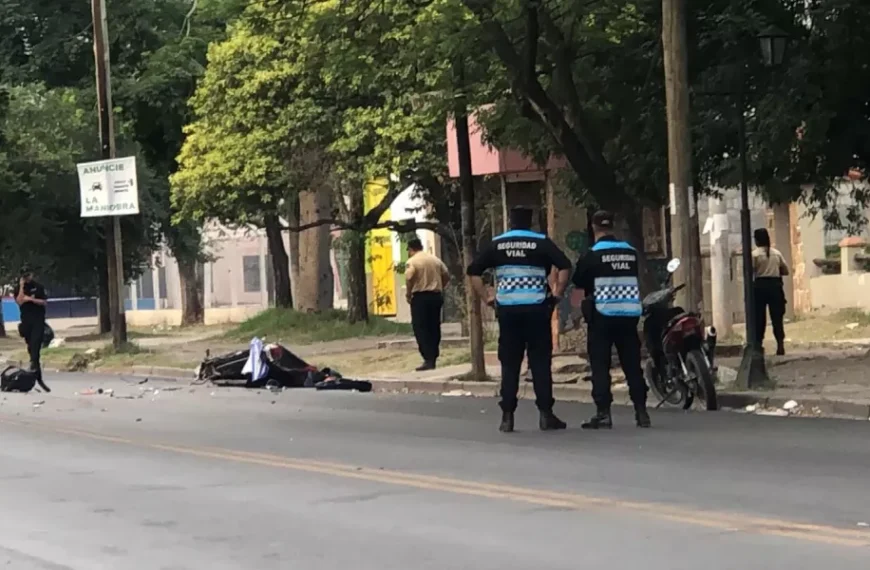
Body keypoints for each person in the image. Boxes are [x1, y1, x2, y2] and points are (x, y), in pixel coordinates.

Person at [467, 206, 572, 433]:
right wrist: (557, 293)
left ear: (510, 222)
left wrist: (487, 297)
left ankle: (507, 417)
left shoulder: (498, 243)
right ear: (530, 221)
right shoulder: (541, 242)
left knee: (510, 364)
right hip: (536, 311)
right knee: (540, 363)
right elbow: (564, 266)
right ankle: (546, 415)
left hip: (508, 313)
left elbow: (474, 271)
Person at [572, 210, 649, 429]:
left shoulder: (591, 255)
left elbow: (579, 285)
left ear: (594, 228)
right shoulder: (631, 253)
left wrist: (577, 315)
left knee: (600, 365)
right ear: (613, 226)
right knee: (632, 365)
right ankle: (641, 412)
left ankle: (603, 413)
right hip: (628, 316)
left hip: (602, 318)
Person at [405, 238, 450, 371]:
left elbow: (409, 277)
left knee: (420, 327)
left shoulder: (412, 261)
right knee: (434, 326)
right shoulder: (435, 259)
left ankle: (427, 358)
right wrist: (441, 286)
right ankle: (433, 357)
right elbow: (446, 274)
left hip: (420, 297)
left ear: (411, 249)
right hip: (436, 296)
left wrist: (408, 293)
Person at [13, 266, 51, 393]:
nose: (27, 278)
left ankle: (35, 370)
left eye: (28, 275)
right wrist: (22, 287)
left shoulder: (38, 286)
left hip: (38, 320)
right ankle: (37, 376)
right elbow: (19, 301)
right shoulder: (19, 288)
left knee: (35, 346)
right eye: (24, 276)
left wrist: (31, 299)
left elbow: (44, 302)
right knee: (31, 349)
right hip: (26, 322)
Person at [752, 228, 789, 356]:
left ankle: (758, 346)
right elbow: (785, 271)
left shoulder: (754, 255)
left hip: (760, 287)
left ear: (756, 240)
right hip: (775, 286)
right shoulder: (776, 254)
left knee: (759, 318)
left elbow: (750, 272)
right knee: (777, 318)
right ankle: (780, 345)